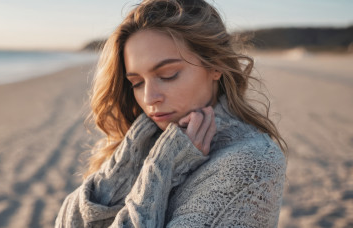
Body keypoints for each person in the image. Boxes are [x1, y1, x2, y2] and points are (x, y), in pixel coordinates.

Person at [55, 0, 287, 227]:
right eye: (136, 83)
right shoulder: (144, 139)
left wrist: (160, 170)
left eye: (168, 75)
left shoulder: (252, 164)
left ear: (215, 65)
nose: (149, 98)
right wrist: (127, 163)